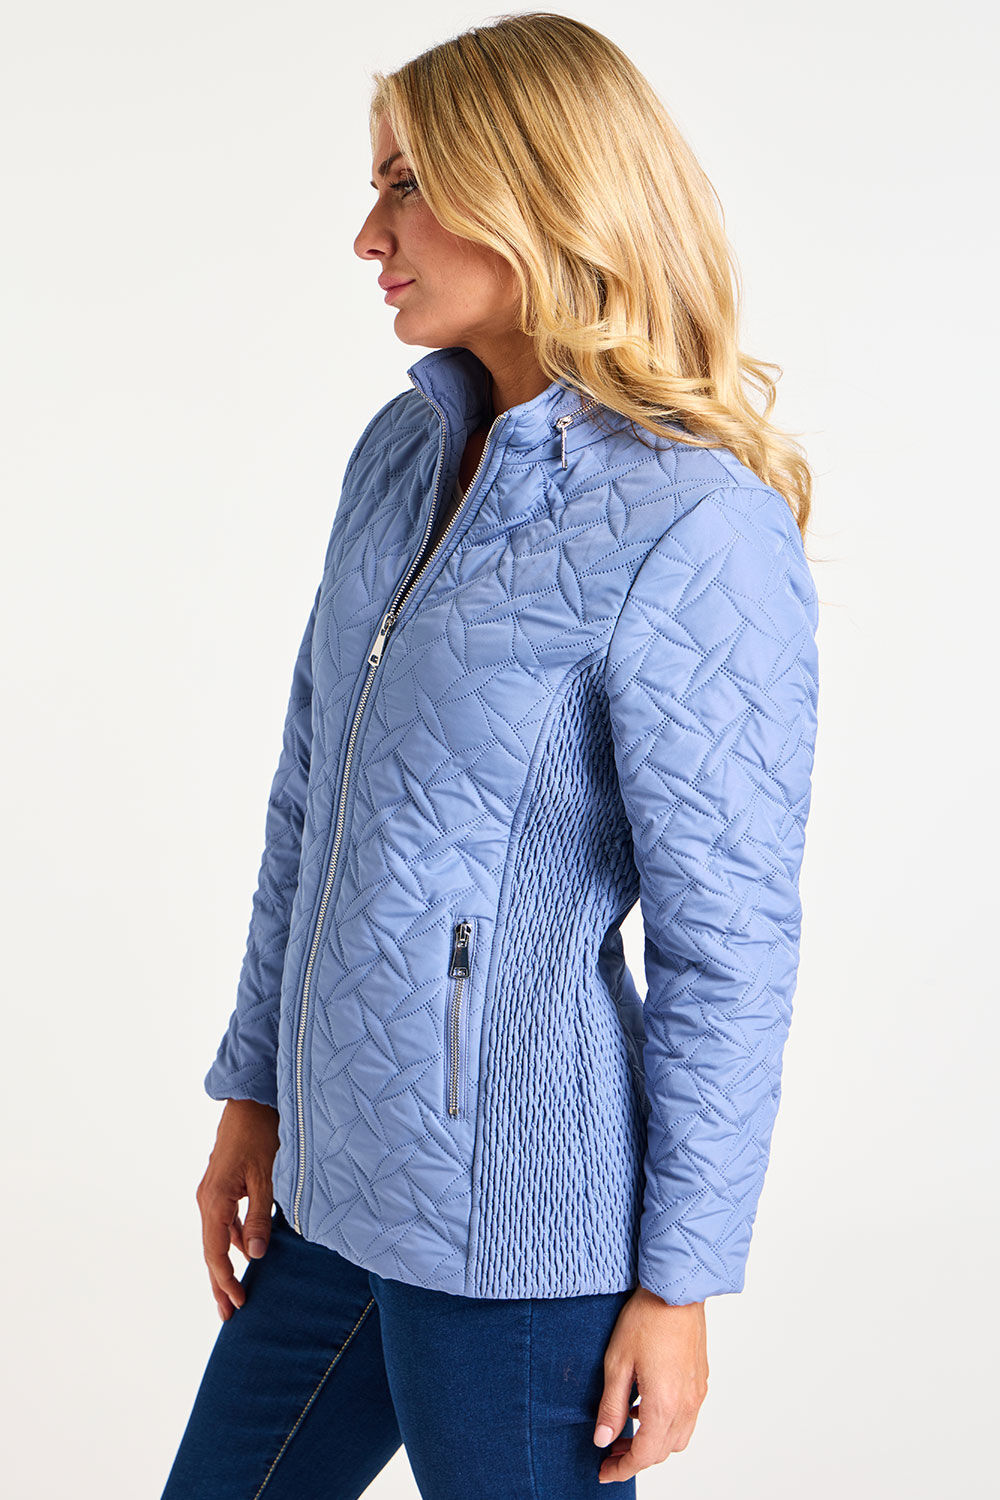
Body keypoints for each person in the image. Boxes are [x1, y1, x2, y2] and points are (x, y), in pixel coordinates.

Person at [160, 13, 820, 1498]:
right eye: (375, 186)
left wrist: (679, 1284)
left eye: (407, 184)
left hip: (522, 1237)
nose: (367, 235)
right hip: (334, 1190)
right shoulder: (397, 455)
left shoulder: (695, 525)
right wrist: (255, 1091)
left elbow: (729, 944)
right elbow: (308, 796)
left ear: (539, 192)